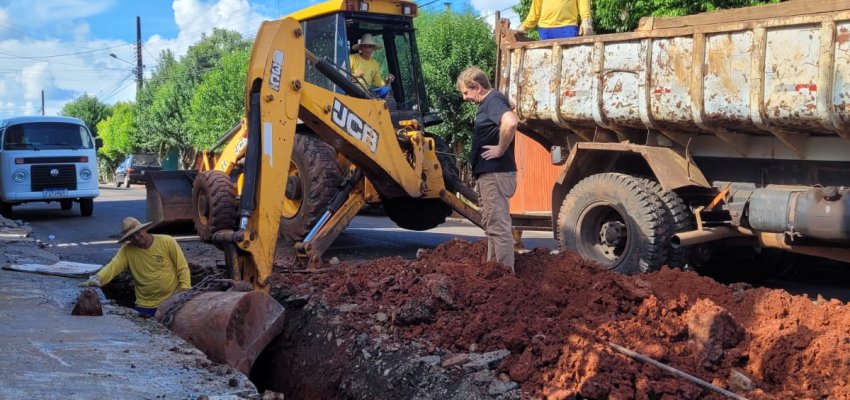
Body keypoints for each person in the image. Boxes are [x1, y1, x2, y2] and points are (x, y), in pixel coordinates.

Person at [456, 66, 519, 273]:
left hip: (495, 173)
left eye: (466, 92)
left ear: (478, 87)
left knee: (498, 227)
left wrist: (501, 148)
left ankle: (504, 277)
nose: (465, 98)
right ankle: (494, 271)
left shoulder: (493, 100)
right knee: (492, 226)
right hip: (490, 174)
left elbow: (510, 122)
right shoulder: (490, 102)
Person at [80, 216, 191, 317]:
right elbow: (113, 267)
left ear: (145, 229)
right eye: (132, 236)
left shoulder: (167, 242)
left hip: (171, 300)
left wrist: (184, 291)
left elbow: (182, 268)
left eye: (138, 233)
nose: (136, 238)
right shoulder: (127, 251)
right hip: (145, 305)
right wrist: (98, 278)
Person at [518, 0, 593, 40]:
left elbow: (583, 3)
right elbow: (534, 12)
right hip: (545, 29)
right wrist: (523, 26)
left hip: (568, 27)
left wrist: (585, 20)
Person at [349, 33, 394, 98]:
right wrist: (355, 75)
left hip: (367, 93)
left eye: (370, 47)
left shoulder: (374, 63)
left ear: (373, 48)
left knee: (386, 90)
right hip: (352, 92)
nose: (367, 50)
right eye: (365, 46)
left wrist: (386, 80)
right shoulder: (352, 58)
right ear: (361, 47)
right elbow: (342, 76)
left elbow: (377, 83)